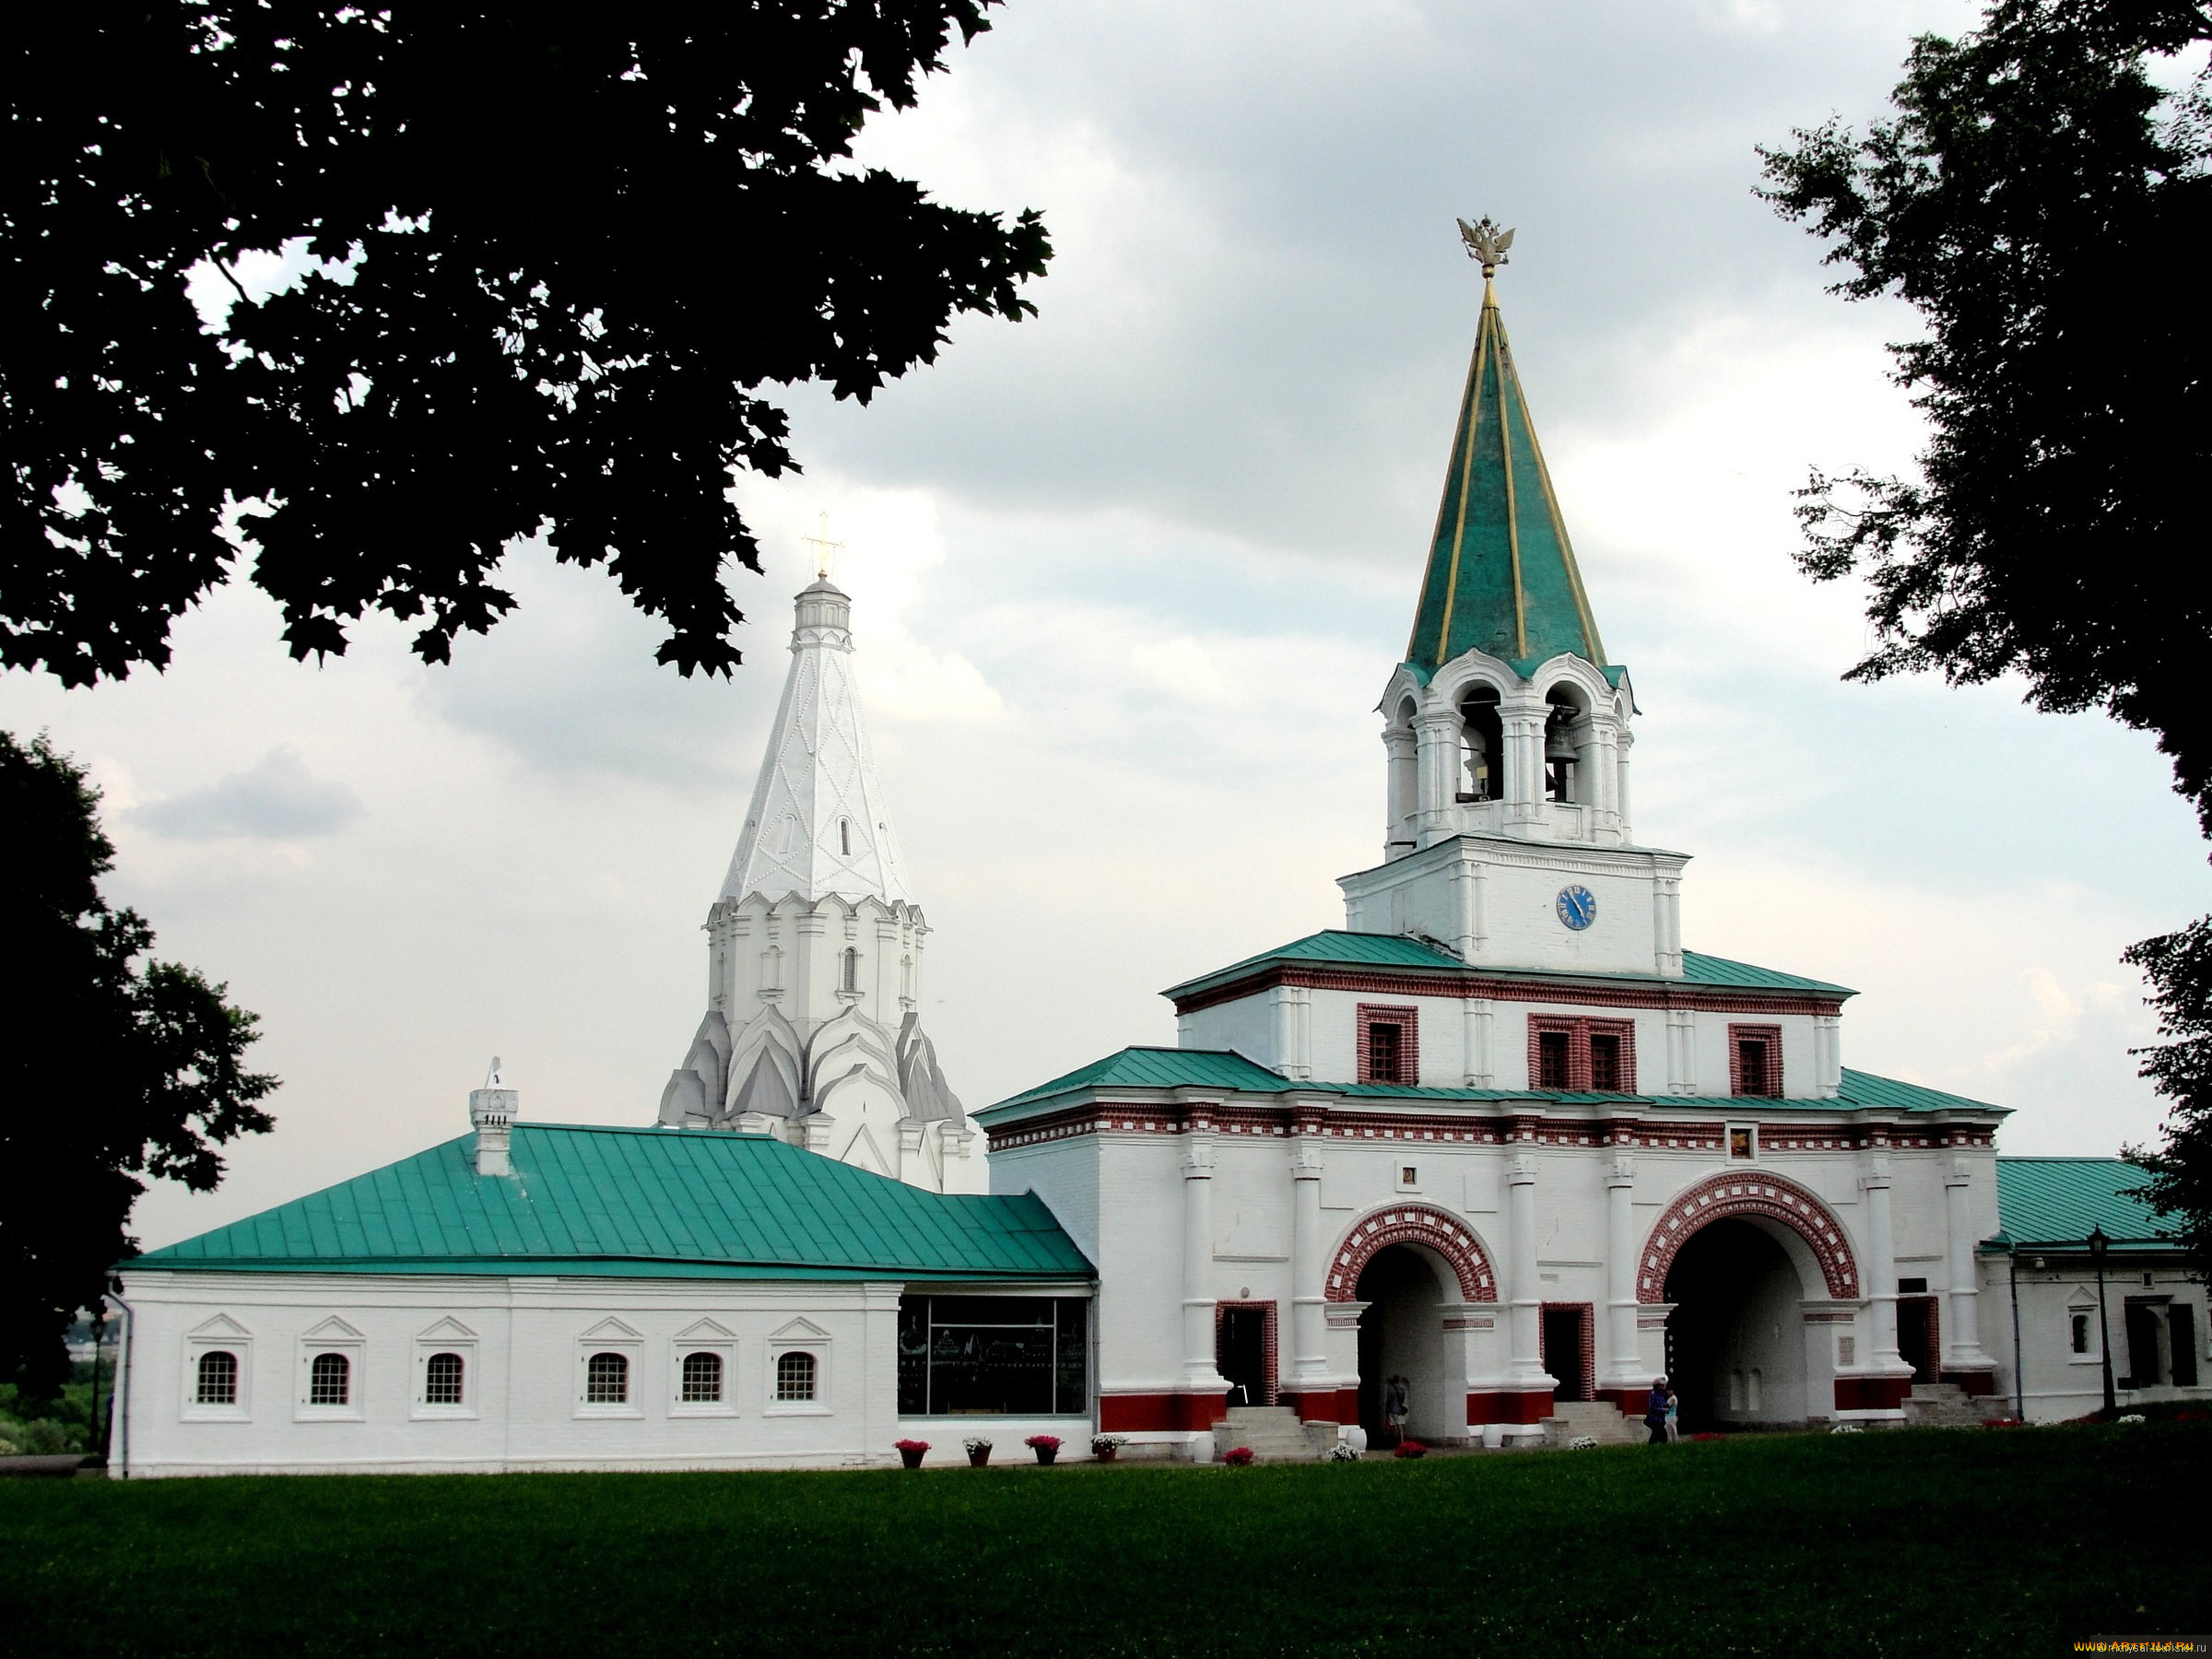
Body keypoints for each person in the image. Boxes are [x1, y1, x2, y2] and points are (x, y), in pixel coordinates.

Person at [1384, 1374, 1409, 1447]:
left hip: (1392, 1409)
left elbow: (1389, 1399)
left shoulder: (1390, 1389)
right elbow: (1402, 1400)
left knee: (1392, 1426)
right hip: (1399, 1410)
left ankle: (1393, 1441)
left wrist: (1387, 1409)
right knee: (1400, 1427)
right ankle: (1402, 1441)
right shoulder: (1401, 1389)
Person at [1644, 1376, 1670, 1445]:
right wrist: (1662, 1410)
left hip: (1661, 1419)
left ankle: (1651, 1447)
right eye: (1662, 1385)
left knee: (1656, 1435)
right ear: (1658, 1386)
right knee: (1663, 1436)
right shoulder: (1653, 1394)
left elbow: (1664, 1404)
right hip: (1655, 1419)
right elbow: (1652, 1408)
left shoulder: (1662, 1395)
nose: (1664, 1386)